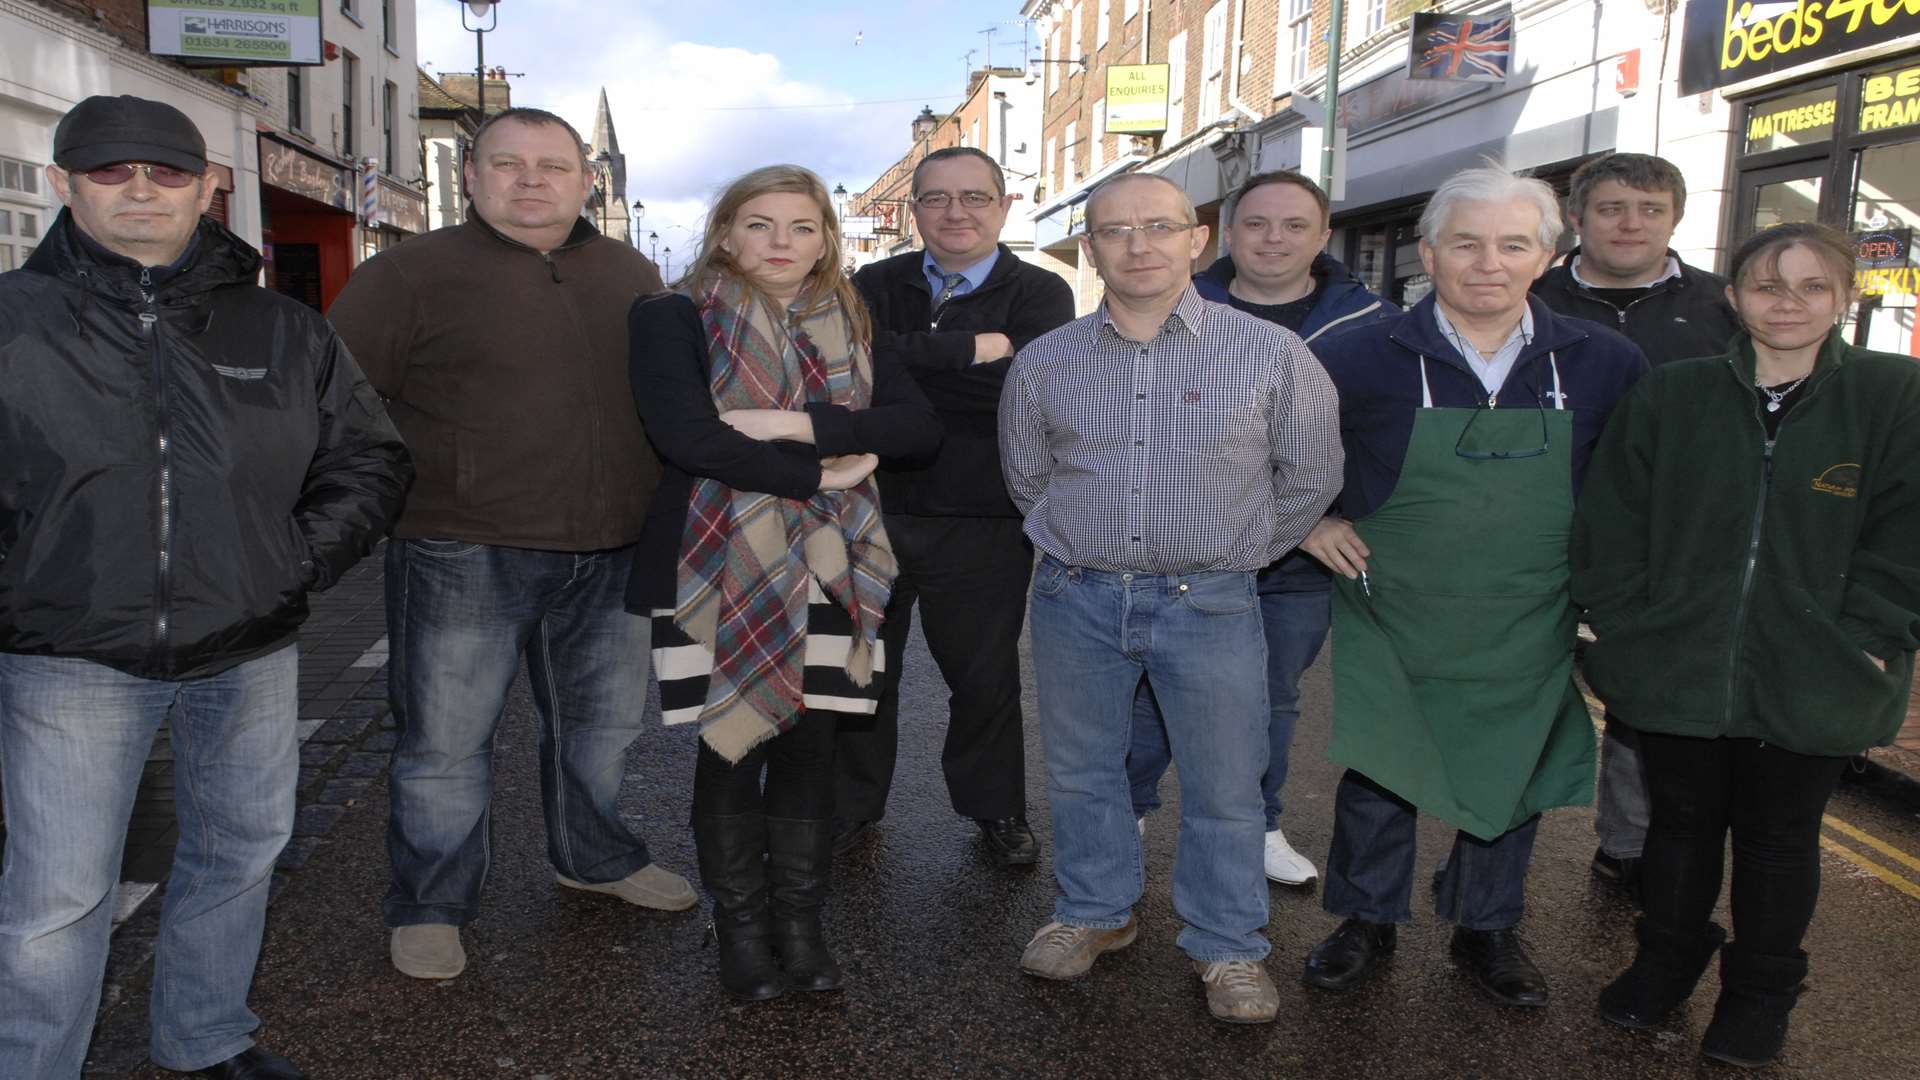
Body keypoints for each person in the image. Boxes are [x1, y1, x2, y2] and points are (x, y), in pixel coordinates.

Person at [0, 95, 409, 1079]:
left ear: (207, 186)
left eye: (167, 171)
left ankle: (205, 1035)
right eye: (110, 170)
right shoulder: (13, 322)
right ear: (63, 183)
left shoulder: (281, 328)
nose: (141, 188)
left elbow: (369, 461)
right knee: (58, 898)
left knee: (240, 850)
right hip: (68, 658)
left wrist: (292, 564)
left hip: (249, 647)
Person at [327, 107, 695, 983]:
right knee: (445, 743)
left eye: (553, 166)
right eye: (508, 164)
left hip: (613, 548)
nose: (532, 181)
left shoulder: (630, 269)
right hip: (463, 548)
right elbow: (338, 402)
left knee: (601, 730)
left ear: (585, 181)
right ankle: (431, 903)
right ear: (469, 177)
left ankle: (594, 857)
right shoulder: (406, 275)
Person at [1573, 221, 1920, 1068]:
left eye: (1811, 286)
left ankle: (1761, 994)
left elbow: (1907, 531)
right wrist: (1623, 624)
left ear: (1846, 297)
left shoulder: (1894, 394)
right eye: (1768, 285)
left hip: (1821, 665)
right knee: (1681, 825)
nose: (1789, 303)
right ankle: (1666, 960)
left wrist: (1871, 635)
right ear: (1733, 300)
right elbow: (1613, 521)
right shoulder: (1674, 394)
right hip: (1679, 660)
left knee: (1779, 835)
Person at [1297, 165, 1644, 1008]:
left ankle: (1486, 927)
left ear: (1547, 256)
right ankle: (1365, 920)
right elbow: (1274, 460)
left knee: (1511, 767)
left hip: (1532, 604)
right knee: (1385, 766)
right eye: (1466, 242)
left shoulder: (1607, 362)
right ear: (1428, 253)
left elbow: (1632, 486)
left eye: (1512, 244)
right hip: (1393, 601)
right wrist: (1309, 522)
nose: (1488, 263)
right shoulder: (1352, 357)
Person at [1000, 173, 1343, 1024]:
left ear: (1197, 239)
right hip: (1078, 597)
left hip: (1214, 600)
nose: (1138, 245)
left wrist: (1239, 555)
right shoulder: (1046, 362)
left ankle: (1228, 946)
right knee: (1084, 773)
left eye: (1160, 226)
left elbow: (1309, 477)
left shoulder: (1272, 355)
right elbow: (1027, 478)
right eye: (1116, 230)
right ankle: (1095, 913)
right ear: (1092, 248)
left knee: (1229, 782)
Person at [627, 165, 939, 1001]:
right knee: (731, 749)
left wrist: (786, 424)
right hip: (715, 561)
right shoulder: (671, 315)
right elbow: (686, 435)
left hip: (835, 563)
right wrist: (820, 475)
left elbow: (914, 428)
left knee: (812, 747)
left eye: (802, 228)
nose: (781, 244)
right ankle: (741, 935)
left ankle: (800, 930)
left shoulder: (855, 318)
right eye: (760, 225)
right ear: (726, 233)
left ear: (826, 240)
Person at [1126, 169, 1395, 885]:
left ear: (1323, 236)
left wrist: (1318, 521)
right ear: (1226, 233)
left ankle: (1259, 825)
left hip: (1295, 571)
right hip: (1185, 549)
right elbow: (1156, 438)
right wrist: (1298, 522)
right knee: (1152, 690)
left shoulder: (1370, 327)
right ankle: (1128, 814)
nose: (1273, 239)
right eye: (1257, 224)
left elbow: (1368, 443)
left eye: (1294, 225)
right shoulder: (1170, 307)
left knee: (1269, 697)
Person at [833, 147, 1074, 865]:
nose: (955, 212)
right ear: (914, 212)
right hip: (867, 511)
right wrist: (972, 351)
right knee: (862, 669)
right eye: (936, 199)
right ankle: (850, 810)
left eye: (974, 196)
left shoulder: (1039, 293)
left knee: (984, 679)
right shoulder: (871, 281)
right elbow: (847, 373)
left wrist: (901, 367)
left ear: (1003, 207)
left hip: (983, 518)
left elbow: (1020, 395)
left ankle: (995, 810)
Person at [1530, 152, 1741, 893]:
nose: (1631, 224)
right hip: (1538, 532)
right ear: (1577, 218)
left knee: (1642, 702)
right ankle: (1482, 861)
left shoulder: (1725, 307)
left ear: (1675, 220)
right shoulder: (1528, 294)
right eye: (1614, 208)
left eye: (1650, 211)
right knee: (1511, 698)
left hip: (1667, 543)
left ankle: (1628, 846)